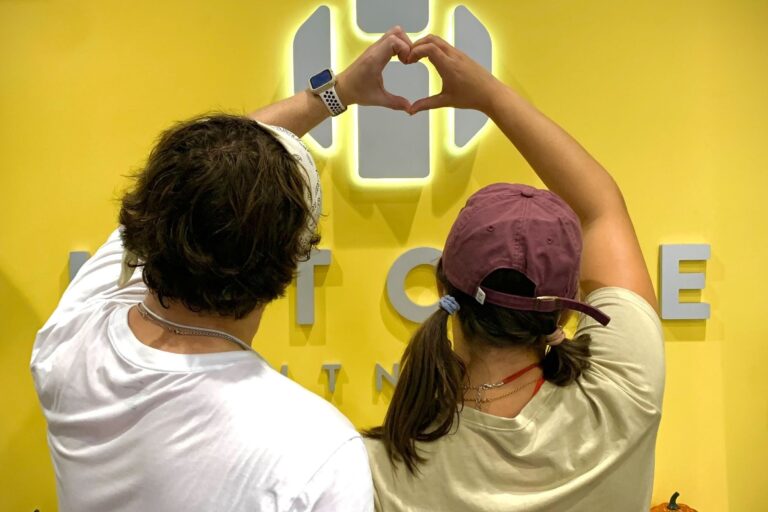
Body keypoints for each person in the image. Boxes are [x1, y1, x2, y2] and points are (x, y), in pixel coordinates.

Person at [30, 28, 415, 512]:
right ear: (290, 261)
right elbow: (210, 170)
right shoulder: (315, 452)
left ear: (151, 216)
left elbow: (204, 170)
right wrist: (338, 94)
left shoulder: (70, 340)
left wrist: (335, 93)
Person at [364, 35, 665, 510]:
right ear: (562, 315)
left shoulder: (384, 470)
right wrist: (490, 96)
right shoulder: (625, 390)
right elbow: (602, 210)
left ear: (444, 285)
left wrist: (330, 96)